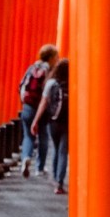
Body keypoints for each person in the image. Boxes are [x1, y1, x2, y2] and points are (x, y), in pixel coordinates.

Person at [29, 57, 70, 195]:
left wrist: (35, 121)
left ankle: (54, 178)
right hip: (67, 122)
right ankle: (59, 182)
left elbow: (43, 103)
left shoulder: (51, 83)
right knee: (63, 151)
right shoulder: (73, 83)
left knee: (55, 148)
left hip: (53, 121)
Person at [18, 44, 58, 177]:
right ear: (51, 58)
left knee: (28, 135)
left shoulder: (32, 68)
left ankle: (25, 157)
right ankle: (40, 167)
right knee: (43, 136)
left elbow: (21, 85)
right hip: (42, 108)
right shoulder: (50, 71)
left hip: (28, 107)